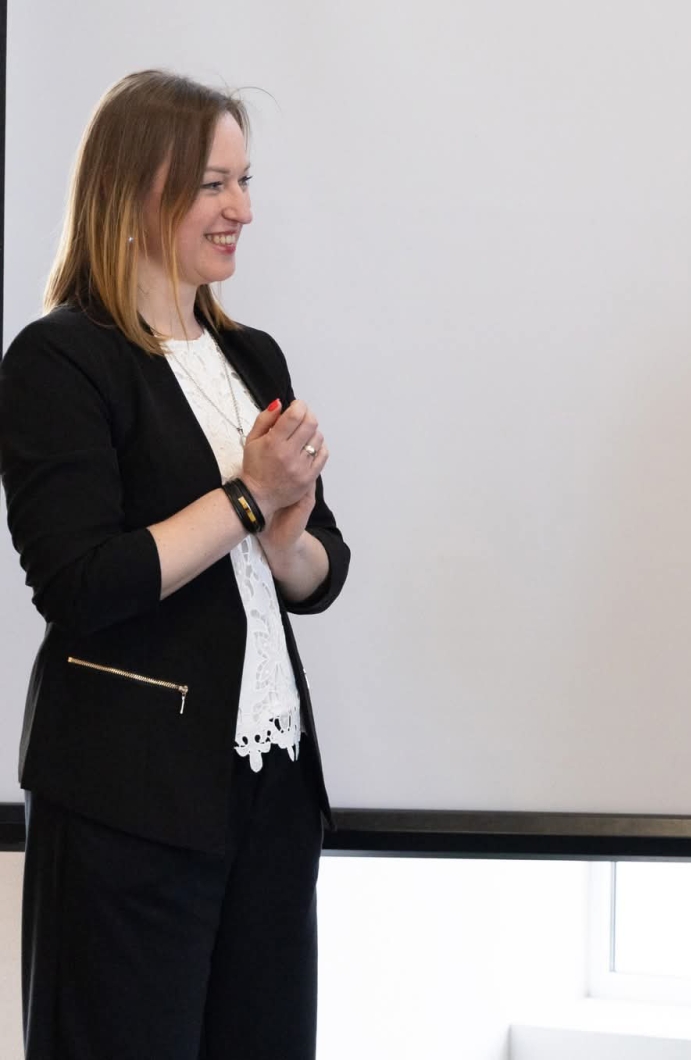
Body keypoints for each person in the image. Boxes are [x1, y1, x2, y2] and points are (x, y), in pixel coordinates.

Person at [0, 70, 349, 1058]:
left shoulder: (255, 357)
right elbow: (81, 583)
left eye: (245, 181)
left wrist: (284, 542)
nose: (242, 209)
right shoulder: (60, 360)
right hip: (130, 803)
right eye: (213, 184)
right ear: (137, 190)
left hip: (270, 800)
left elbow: (321, 572)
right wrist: (245, 500)